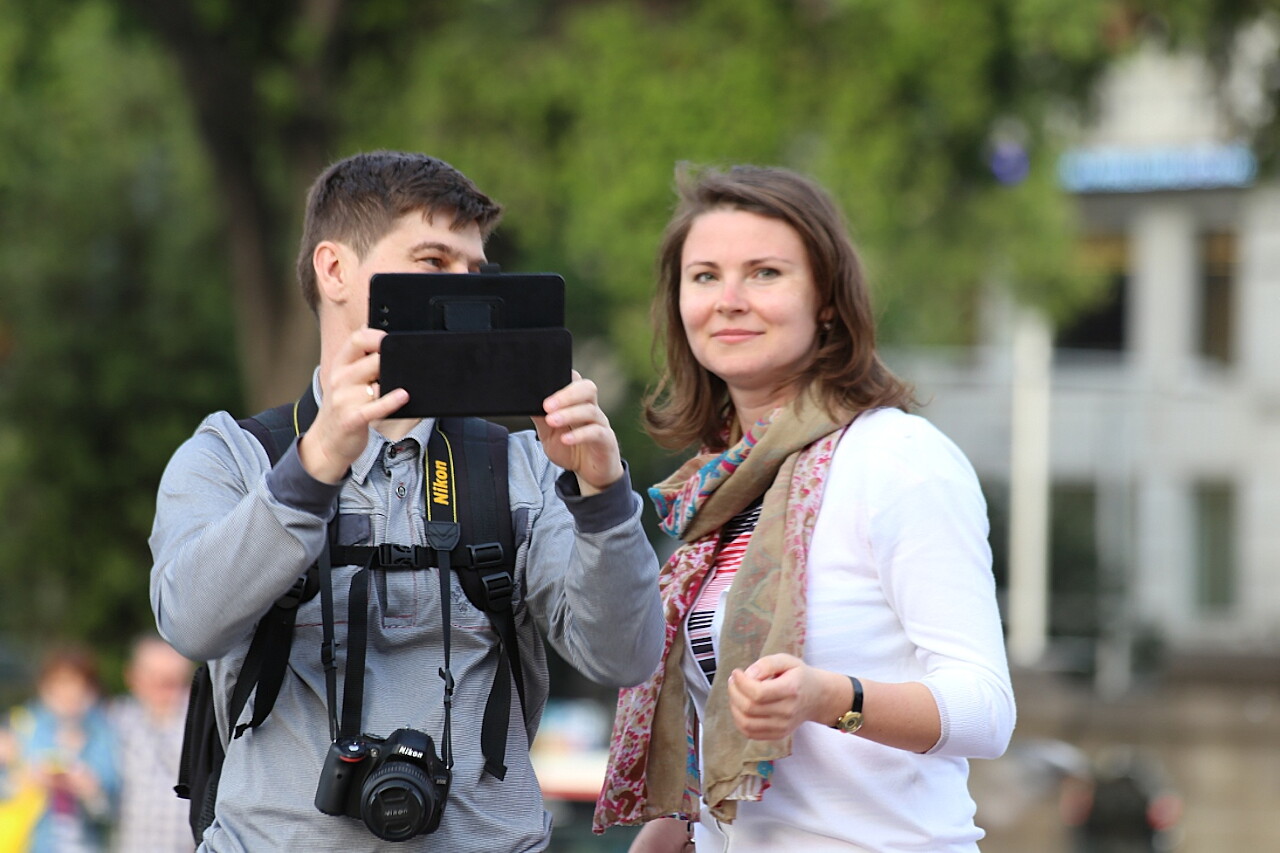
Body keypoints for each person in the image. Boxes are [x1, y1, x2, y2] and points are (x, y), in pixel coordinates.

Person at [149, 150, 664, 851]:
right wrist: (313, 469)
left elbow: (625, 656)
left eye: (473, 273)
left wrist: (603, 496)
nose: (460, 292)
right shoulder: (230, 457)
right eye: (432, 264)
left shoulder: (519, 465)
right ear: (335, 270)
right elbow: (189, 621)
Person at [593, 164, 1016, 851]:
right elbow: (720, 761)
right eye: (704, 276)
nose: (728, 299)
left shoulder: (897, 457)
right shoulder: (715, 493)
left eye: (764, 273)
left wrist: (830, 698)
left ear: (826, 299)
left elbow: (987, 712)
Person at [2, 645, 120, 853]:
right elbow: (5, 790)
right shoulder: (22, 725)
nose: (69, 695)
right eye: (61, 686)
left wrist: (90, 790)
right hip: (31, 844)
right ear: (45, 687)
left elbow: (110, 809)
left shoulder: (102, 731)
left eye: (77, 686)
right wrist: (25, 778)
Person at [107, 634, 195, 853]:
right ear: (133, 677)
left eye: (172, 681)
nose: (163, 689)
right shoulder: (117, 718)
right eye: (154, 679)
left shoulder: (201, 722)